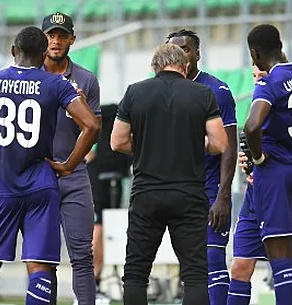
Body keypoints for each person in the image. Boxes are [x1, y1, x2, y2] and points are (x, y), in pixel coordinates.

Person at [0, 26, 99, 305]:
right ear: (42, 54)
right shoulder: (56, 83)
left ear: (14, 51)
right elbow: (92, 125)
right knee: (40, 264)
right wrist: (69, 165)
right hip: (41, 182)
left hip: (2, 185)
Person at [111, 43, 228, 305]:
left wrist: (146, 146)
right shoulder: (202, 94)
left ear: (154, 67)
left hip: (146, 194)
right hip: (188, 194)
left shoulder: (134, 92)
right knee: (195, 273)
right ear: (185, 66)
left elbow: (116, 142)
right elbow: (220, 143)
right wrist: (194, 145)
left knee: (136, 273)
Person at [243, 24, 292, 304]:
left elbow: (251, 126)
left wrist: (259, 158)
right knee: (291, 254)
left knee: (279, 258)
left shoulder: (269, 83)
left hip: (276, 171)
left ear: (255, 52)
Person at [166, 29, 237, 305]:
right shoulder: (163, 89)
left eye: (187, 48)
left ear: (197, 54)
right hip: (177, 192)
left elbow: (228, 146)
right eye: (176, 49)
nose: (182, 54)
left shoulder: (216, 91)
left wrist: (223, 195)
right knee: (192, 267)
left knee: (213, 259)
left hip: (208, 191)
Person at [41, 11, 103, 305]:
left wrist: (69, 165)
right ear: (43, 40)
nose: (56, 41)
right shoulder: (31, 77)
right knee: (43, 255)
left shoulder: (85, 80)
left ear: (72, 40)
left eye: (62, 36)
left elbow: (93, 130)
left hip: (73, 174)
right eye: (51, 35)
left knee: (82, 253)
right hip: (39, 174)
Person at [87, 104, 131, 302]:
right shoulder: (117, 119)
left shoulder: (96, 117)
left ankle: (93, 283)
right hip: (108, 176)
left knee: (102, 227)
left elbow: (89, 155)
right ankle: (93, 283)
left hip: (100, 176)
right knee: (103, 228)